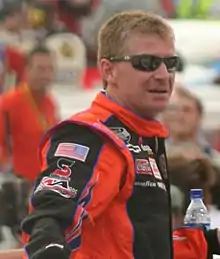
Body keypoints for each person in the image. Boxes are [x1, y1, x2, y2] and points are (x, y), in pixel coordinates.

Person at [19, 10, 220, 259]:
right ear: (108, 70)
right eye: (146, 63)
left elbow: (138, 247)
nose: (162, 74)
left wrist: (210, 242)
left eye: (170, 63)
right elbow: (48, 224)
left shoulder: (143, 139)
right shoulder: (92, 134)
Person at [0, 44, 60, 182]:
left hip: (45, 185)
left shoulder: (50, 103)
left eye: (50, 69)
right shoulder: (9, 103)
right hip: (17, 188)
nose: (46, 75)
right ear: (27, 70)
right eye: (41, 69)